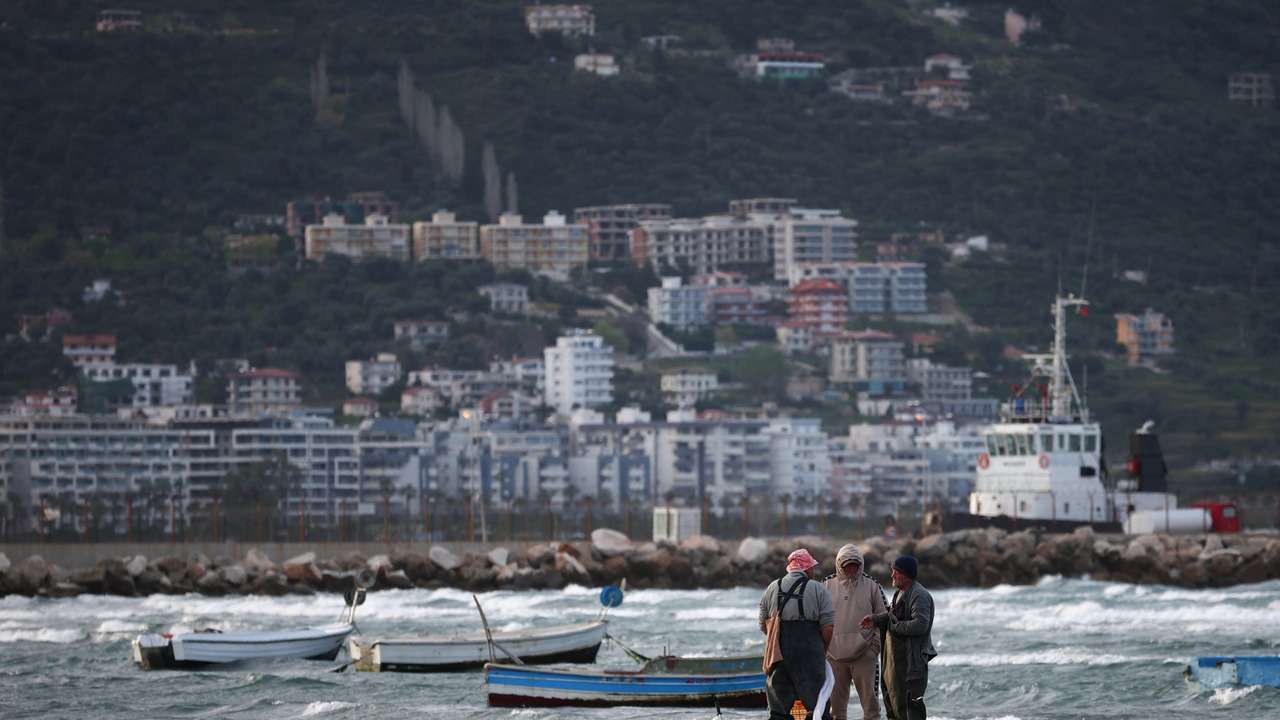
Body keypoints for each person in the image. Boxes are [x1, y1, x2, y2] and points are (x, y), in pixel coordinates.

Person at [759, 548, 836, 719]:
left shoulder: (772, 588)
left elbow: (764, 625)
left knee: (779, 710)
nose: (813, 571)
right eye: (812, 568)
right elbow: (828, 627)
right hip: (810, 656)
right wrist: (821, 650)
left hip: (779, 658)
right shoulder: (818, 589)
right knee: (818, 708)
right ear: (807, 569)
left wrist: (778, 642)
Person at [861, 555, 936, 720]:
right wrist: (876, 619)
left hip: (911, 665)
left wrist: (895, 628)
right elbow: (892, 615)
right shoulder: (899, 593)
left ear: (907, 574)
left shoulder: (919, 595)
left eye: (896, 572)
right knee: (894, 707)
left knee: (910, 711)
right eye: (892, 571)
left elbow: (920, 624)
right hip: (896, 664)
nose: (892, 575)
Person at [823, 545, 887, 720]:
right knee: (835, 712)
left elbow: (885, 618)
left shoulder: (873, 586)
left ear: (861, 565)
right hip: (834, 659)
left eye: (855, 565)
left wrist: (874, 649)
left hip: (864, 656)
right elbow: (816, 620)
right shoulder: (826, 586)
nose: (851, 569)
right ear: (839, 565)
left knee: (871, 710)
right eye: (847, 565)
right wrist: (825, 650)